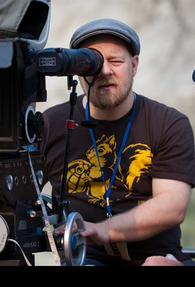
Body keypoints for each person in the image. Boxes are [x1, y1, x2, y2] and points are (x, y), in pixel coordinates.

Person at [40, 18, 195, 266]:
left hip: (157, 259)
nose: (105, 71)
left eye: (115, 61)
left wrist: (103, 231)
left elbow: (172, 206)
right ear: (79, 70)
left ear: (134, 65)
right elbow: (19, 195)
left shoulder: (168, 123)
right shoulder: (51, 123)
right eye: (94, 62)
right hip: (82, 259)